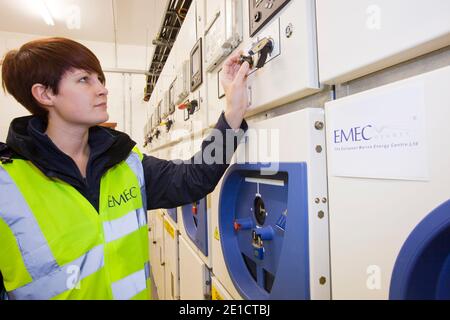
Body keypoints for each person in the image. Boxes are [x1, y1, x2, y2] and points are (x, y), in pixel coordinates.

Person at [0, 37, 250, 300]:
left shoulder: (125, 162)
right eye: (84, 79)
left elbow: (192, 178)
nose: (102, 89)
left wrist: (232, 115)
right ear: (45, 94)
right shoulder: (7, 184)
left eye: (100, 79)